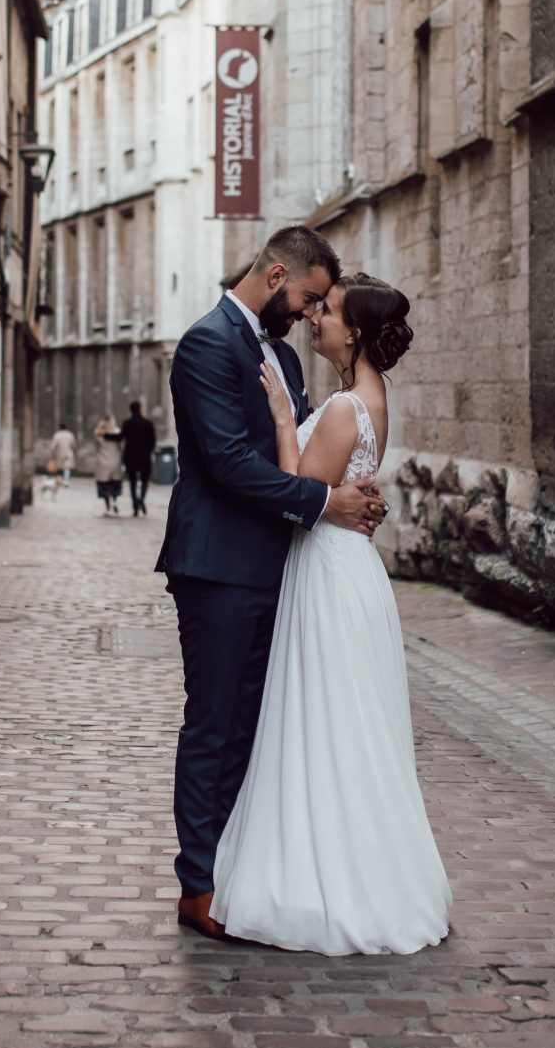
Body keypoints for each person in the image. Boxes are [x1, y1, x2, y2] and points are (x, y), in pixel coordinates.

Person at [155, 224, 386, 942]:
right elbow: (226, 462)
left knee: (255, 732)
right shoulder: (204, 343)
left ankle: (237, 870)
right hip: (218, 566)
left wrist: (343, 494)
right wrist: (327, 504)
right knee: (214, 724)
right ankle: (198, 885)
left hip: (279, 568)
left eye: (322, 305)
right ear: (277, 271)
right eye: (309, 297)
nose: (311, 313)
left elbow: (296, 461)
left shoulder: (282, 355)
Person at [210, 272, 448, 954]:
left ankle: (326, 883)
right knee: (351, 724)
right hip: (354, 571)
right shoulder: (373, 397)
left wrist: (286, 420)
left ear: (357, 333)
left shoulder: (344, 407)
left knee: (324, 719)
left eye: (331, 311)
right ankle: (369, 871)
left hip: (327, 571)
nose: (317, 318)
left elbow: (298, 490)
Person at [119, 400, 159, 517]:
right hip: (144, 456)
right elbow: (153, 441)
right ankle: (141, 499)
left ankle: (135, 504)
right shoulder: (148, 423)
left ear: (130, 410)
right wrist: (148, 451)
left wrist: (105, 434)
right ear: (140, 408)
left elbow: (121, 437)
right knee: (145, 480)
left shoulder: (127, 423)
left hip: (130, 456)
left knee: (132, 482)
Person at [93, 419, 124, 516]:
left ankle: (107, 507)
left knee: (104, 485)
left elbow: (96, 446)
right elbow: (121, 447)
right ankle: (114, 501)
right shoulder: (117, 435)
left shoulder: (100, 437)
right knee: (114, 484)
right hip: (116, 461)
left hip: (103, 462)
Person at [41, 424, 76, 500]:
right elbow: (73, 445)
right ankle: (66, 481)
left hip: (59, 453)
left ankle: (58, 480)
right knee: (67, 468)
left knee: (59, 468)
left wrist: (52, 454)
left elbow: (53, 446)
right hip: (68, 453)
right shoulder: (70, 434)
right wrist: (73, 450)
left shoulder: (57, 435)